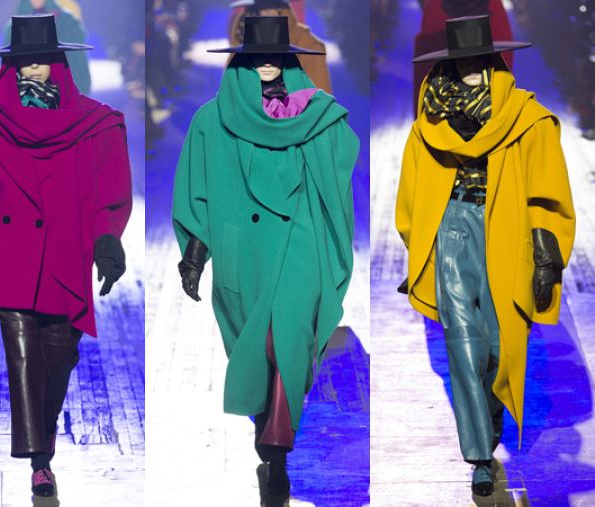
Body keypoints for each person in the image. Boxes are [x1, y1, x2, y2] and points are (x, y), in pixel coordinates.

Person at [172, 16, 358, 507]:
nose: (267, 63)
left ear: (290, 59)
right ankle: (268, 436)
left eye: (276, 55)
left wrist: (329, 128)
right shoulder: (212, 120)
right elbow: (197, 187)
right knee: (257, 352)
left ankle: (276, 459)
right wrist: (195, 254)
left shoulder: (317, 114)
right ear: (242, 60)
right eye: (256, 56)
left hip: (301, 245)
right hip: (245, 251)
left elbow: (341, 161)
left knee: (286, 342)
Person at [396, 15, 575, 497]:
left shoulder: (526, 117)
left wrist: (547, 256)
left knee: (499, 347)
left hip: (506, 231)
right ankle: (478, 455)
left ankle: (490, 424)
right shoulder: (430, 123)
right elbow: (412, 193)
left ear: (494, 61)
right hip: (450, 231)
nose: (471, 67)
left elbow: (547, 189)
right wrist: (421, 252)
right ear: (449, 65)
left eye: (479, 58)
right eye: (463, 60)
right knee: (464, 347)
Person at [0, 14, 132, 499]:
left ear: (59, 64)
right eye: (24, 60)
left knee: (58, 360)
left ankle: (45, 435)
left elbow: (110, 190)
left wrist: (107, 241)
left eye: (42, 59)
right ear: (10, 66)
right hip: (11, 258)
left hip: (66, 256)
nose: (33, 68)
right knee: (23, 362)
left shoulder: (95, 123)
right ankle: (40, 463)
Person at [228, 0, 332, 94]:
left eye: (271, 8)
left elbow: (319, 98)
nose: (268, 13)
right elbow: (231, 93)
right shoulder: (243, 36)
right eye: (263, 8)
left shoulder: (308, 45)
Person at [5, 0, 92, 94]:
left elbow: (78, 59)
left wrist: (81, 88)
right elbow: (7, 65)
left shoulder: (67, 22)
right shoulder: (13, 26)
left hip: (62, 87)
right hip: (25, 91)